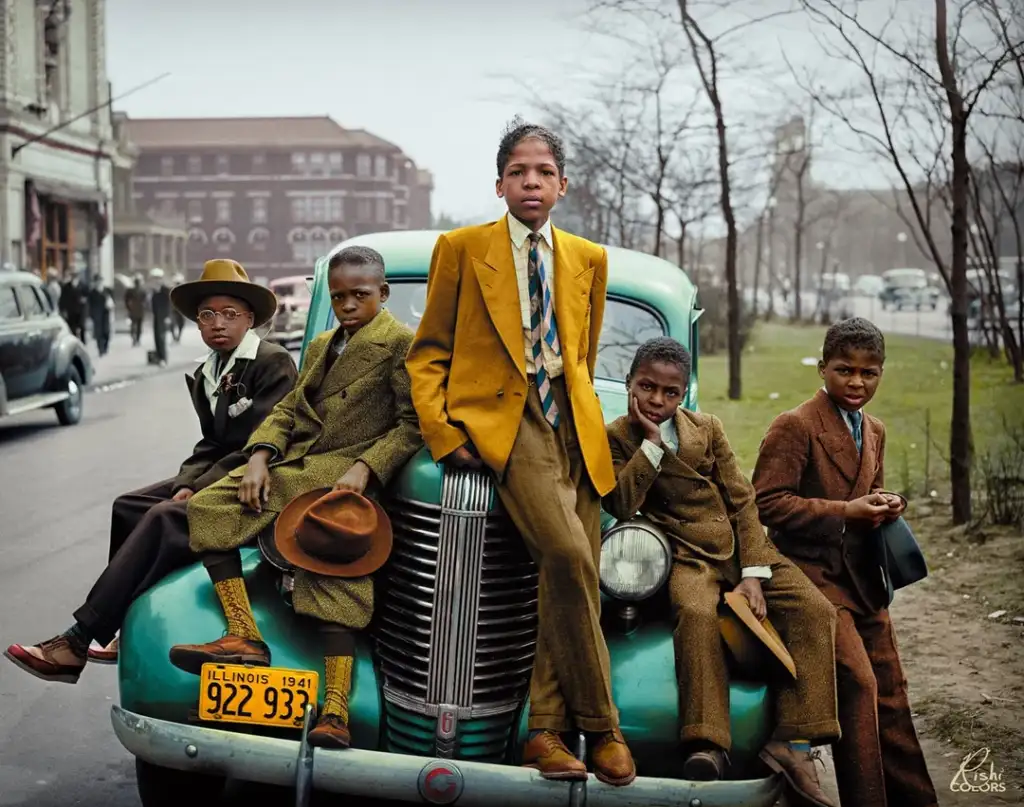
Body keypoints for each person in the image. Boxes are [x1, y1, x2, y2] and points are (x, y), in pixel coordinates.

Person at [405, 118, 635, 786]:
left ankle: (543, 732)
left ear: (562, 184)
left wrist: (584, 420)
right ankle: (603, 725)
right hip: (510, 423)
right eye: (517, 171)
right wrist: (448, 437)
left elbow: (583, 357)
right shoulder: (461, 247)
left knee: (565, 578)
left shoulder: (588, 258)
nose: (530, 182)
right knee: (567, 556)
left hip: (577, 428)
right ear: (500, 182)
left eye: (542, 172)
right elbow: (428, 356)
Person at [167, 245, 422, 748]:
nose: (349, 305)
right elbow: (288, 410)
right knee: (207, 507)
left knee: (334, 572)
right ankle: (244, 633)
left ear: (383, 294)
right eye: (340, 295)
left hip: (344, 475)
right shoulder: (324, 343)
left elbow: (411, 425)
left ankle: (336, 711)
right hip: (296, 465)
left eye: (361, 295)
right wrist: (259, 455)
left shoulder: (401, 345)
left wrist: (366, 469)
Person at [4, 259, 297, 680]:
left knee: (164, 518)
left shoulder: (272, 362)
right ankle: (122, 624)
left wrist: (198, 489)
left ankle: (76, 640)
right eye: (208, 315)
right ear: (197, 323)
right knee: (128, 505)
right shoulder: (207, 370)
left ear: (249, 320)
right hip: (221, 472)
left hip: (258, 481)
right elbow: (211, 444)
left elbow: (264, 442)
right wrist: (185, 482)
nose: (218, 324)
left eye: (230, 314)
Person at [603, 337, 839, 806]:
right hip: (684, 552)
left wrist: (753, 571)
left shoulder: (706, 428)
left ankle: (793, 741)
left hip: (736, 546)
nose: (657, 400)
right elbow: (620, 502)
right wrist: (650, 447)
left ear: (684, 393)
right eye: (646, 387)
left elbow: (742, 498)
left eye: (670, 393)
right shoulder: (616, 437)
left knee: (815, 609)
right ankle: (706, 741)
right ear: (630, 384)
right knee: (695, 613)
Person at [752, 317, 937, 807]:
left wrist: (885, 502)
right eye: (844, 370)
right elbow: (765, 504)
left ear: (881, 374)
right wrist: (845, 513)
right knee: (858, 680)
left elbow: (867, 488)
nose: (857, 383)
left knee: (892, 691)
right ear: (822, 369)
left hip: (863, 579)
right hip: (809, 577)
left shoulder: (873, 429)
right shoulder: (794, 426)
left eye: (869, 373)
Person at [87, 274, 114, 356]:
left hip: (106, 313)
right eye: (97, 281)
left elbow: (111, 301)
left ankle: (105, 346)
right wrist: (90, 315)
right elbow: (90, 305)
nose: (98, 283)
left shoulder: (107, 290)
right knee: (98, 333)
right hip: (97, 314)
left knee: (106, 331)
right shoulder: (92, 293)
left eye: (100, 281)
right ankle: (100, 349)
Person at [59, 270, 88, 343]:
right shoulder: (66, 287)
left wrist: (84, 300)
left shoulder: (83, 285)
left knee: (82, 327)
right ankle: (75, 342)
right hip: (71, 311)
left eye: (75, 276)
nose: (74, 278)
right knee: (72, 328)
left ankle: (83, 342)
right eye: (73, 276)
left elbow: (87, 297)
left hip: (81, 310)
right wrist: (63, 310)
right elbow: (62, 299)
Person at [150, 268, 170, 365]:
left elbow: (170, 305)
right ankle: (158, 356)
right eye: (154, 279)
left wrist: (168, 317)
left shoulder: (165, 291)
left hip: (164, 317)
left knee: (162, 338)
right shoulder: (154, 292)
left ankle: (163, 358)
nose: (156, 281)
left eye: (157, 278)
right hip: (156, 317)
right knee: (157, 337)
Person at [125, 274, 146, 346]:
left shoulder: (132, 290)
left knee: (135, 326)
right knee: (136, 326)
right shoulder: (133, 290)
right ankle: (136, 339)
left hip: (135, 310)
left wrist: (128, 307)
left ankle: (136, 339)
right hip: (137, 310)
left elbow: (126, 300)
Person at [170, 272, 186, 342]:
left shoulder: (184, 290)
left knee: (181, 324)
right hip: (173, 310)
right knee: (172, 324)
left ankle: (178, 336)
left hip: (181, 309)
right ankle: (174, 337)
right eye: (177, 283)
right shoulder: (171, 290)